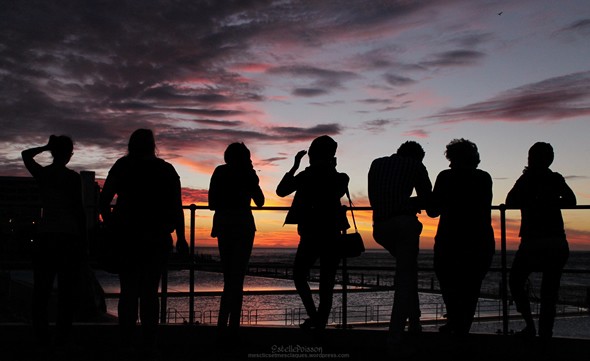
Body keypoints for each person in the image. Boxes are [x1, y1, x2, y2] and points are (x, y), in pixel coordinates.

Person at [99, 129, 188, 350]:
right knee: (150, 292)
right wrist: (182, 237)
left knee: (128, 291)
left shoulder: (122, 166)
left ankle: (126, 341)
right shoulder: (166, 170)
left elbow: (103, 201)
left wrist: (111, 223)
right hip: (157, 237)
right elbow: (177, 208)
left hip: (126, 236)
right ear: (152, 145)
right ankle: (150, 342)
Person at [276, 135, 349, 330]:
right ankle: (319, 320)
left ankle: (316, 317)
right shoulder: (340, 177)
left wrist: (295, 167)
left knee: (300, 276)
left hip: (310, 234)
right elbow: (337, 191)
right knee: (327, 281)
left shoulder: (308, 176)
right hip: (331, 234)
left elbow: (281, 191)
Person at [22, 135, 87, 348]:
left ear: (53, 152)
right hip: (68, 238)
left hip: (46, 236)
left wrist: (45, 146)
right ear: (68, 154)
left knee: (41, 290)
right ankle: (62, 340)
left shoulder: (43, 174)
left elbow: (25, 155)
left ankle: (41, 339)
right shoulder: (73, 178)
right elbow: (79, 210)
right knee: (66, 293)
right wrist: (84, 239)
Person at [506, 142, 576, 340]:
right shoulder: (547, 178)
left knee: (519, 282)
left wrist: (538, 202)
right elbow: (571, 200)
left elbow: (511, 201)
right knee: (548, 292)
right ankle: (543, 333)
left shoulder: (535, 179)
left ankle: (535, 328)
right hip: (552, 242)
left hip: (536, 241)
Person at [427, 138, 495, 336]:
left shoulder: (446, 177)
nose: (449, 163)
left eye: (451, 158)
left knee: (449, 283)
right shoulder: (484, 178)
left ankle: (455, 323)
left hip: (450, 240)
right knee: (471, 288)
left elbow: (433, 211)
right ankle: (462, 328)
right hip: (480, 240)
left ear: (455, 159)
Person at [368, 141, 432, 350]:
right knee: (405, 277)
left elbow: (374, 197)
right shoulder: (415, 166)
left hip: (379, 227)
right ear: (417, 157)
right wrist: (412, 202)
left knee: (408, 272)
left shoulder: (376, 163)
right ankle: (395, 335)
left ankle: (415, 321)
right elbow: (428, 200)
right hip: (403, 225)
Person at [209, 142, 265, 341]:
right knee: (237, 279)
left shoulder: (219, 172)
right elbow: (260, 201)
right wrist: (250, 177)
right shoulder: (248, 174)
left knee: (229, 279)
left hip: (224, 226)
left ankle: (222, 327)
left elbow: (211, 203)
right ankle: (232, 329)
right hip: (243, 226)